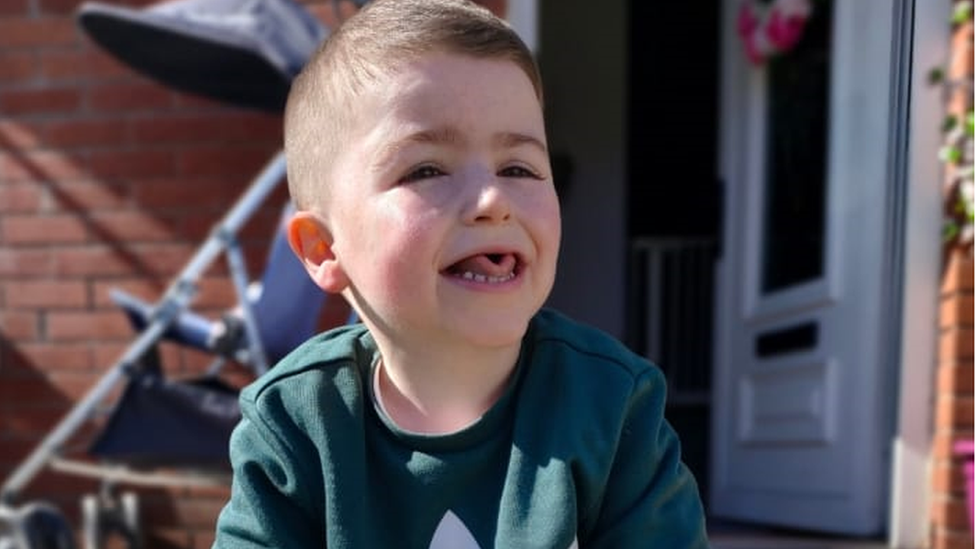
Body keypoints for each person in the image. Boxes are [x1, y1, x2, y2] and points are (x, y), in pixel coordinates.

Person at [212, 0, 710, 546]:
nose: (493, 199)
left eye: (518, 167)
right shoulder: (294, 423)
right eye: (426, 169)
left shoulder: (614, 409)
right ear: (324, 248)